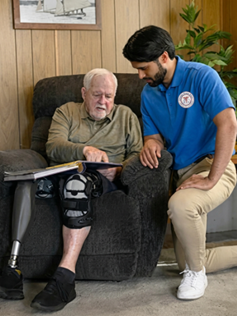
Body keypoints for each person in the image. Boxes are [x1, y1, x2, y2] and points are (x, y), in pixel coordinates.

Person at [0, 68, 143, 311]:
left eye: (109, 96)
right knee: (24, 180)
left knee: (75, 183)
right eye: (97, 95)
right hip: (60, 173)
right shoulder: (65, 111)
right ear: (84, 93)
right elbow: (53, 146)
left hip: (100, 179)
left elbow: (137, 155)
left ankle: (65, 279)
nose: (103, 102)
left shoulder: (126, 116)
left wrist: (119, 171)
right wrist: (85, 150)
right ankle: (11, 268)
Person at [123, 25, 237, 300]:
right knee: (185, 262)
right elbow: (153, 135)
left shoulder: (201, 77)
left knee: (179, 206)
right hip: (181, 172)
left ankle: (197, 277)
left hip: (213, 165)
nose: (139, 75)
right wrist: (151, 143)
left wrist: (211, 177)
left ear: (164, 57)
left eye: (143, 68)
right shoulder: (149, 93)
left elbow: (229, 124)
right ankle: (194, 269)